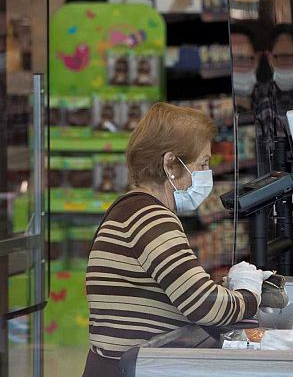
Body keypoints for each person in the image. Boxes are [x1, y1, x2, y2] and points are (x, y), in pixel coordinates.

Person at [83, 103, 272, 377]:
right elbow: (203, 305)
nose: (206, 173)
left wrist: (226, 288)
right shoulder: (150, 217)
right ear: (171, 164)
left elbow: (175, 292)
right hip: (131, 368)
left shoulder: (132, 208)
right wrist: (250, 292)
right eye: (202, 163)